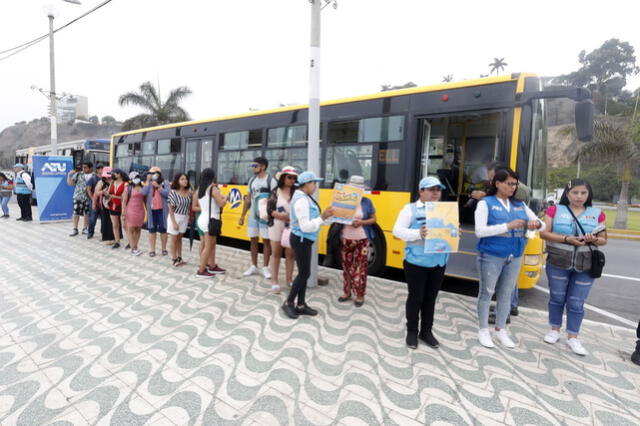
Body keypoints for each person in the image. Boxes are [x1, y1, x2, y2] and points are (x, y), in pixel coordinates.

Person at [474, 167, 545, 349]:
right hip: (491, 255)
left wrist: (536, 223)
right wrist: (507, 226)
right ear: (497, 183)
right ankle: (483, 330)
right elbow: (479, 231)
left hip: (514, 256)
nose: (512, 187)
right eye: (509, 183)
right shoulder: (486, 203)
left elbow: (542, 225)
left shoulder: (520, 205)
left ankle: (500, 330)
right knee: (487, 292)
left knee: (506, 294)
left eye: (515, 184)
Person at [539, 178, 607, 356]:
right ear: (567, 194)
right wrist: (566, 239)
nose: (579, 196)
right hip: (558, 263)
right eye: (575, 192)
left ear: (588, 194)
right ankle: (554, 330)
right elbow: (544, 233)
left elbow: (604, 239)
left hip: (586, 265)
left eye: (583, 193)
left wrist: (594, 239)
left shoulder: (597, 213)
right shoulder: (555, 210)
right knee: (557, 298)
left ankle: (573, 337)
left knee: (577, 303)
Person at [392, 177, 451, 349]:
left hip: (439, 262)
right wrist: (419, 233)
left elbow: (448, 233)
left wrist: (455, 232)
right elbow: (397, 231)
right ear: (421, 191)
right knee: (416, 298)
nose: (435, 193)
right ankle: (411, 331)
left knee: (430, 299)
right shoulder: (410, 209)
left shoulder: (445, 211)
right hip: (416, 262)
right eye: (431, 189)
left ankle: (426, 331)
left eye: (438, 190)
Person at [281, 171, 334, 319]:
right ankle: (289, 302)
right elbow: (305, 226)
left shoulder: (305, 197)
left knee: (304, 273)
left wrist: (325, 217)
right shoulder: (301, 200)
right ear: (307, 184)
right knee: (304, 273)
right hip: (301, 240)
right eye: (314, 183)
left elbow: (314, 220)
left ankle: (301, 304)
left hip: (304, 240)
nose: (316, 186)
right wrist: (322, 217)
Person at [336, 175, 377, 307]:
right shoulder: (344, 200)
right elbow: (337, 219)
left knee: (361, 268)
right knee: (346, 267)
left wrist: (361, 222)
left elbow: (374, 219)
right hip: (346, 238)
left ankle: (360, 295)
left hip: (362, 239)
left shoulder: (367, 202)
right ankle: (346, 292)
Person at [239, 157, 277, 278]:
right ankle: (254, 266)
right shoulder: (251, 181)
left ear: (263, 167)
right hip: (252, 216)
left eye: (255, 165)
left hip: (265, 215)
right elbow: (248, 200)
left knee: (266, 241)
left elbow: (276, 198)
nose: (253, 167)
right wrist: (242, 216)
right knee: (253, 240)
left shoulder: (271, 180)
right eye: (252, 165)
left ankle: (265, 268)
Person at [266, 166, 298, 294]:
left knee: (291, 254)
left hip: (292, 226)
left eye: (294, 178)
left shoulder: (297, 192)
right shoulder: (275, 192)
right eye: (289, 177)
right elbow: (269, 209)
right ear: (283, 178)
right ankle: (274, 281)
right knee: (276, 253)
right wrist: (280, 216)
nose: (292, 180)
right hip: (277, 225)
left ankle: (289, 279)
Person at [194, 168, 227, 277]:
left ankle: (212, 266)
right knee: (208, 246)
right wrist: (227, 196)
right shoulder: (213, 189)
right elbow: (222, 204)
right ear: (213, 177)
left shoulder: (200, 189)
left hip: (204, 218)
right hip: (211, 219)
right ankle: (201, 270)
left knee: (211, 245)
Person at [142, 166, 170, 257]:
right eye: (150, 173)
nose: (152, 175)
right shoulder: (148, 183)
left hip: (162, 210)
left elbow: (168, 194)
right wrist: (147, 181)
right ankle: (152, 249)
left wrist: (159, 187)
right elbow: (143, 193)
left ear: (159, 174)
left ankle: (164, 249)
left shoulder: (165, 182)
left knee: (163, 230)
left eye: (153, 173)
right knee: (152, 230)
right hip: (152, 211)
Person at [168, 173, 192, 267]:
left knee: (179, 239)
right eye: (182, 179)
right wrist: (174, 222)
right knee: (173, 239)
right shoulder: (173, 192)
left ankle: (179, 257)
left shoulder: (189, 193)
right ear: (177, 181)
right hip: (175, 216)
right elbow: (170, 209)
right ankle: (174, 259)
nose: (185, 180)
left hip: (185, 217)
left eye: (186, 179)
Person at [122, 172, 146, 255]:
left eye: (138, 177)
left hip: (140, 211)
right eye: (135, 177)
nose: (137, 179)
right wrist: (123, 213)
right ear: (131, 179)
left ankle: (135, 247)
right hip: (130, 211)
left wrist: (148, 212)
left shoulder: (143, 188)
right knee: (131, 229)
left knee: (138, 229)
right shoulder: (128, 188)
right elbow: (124, 201)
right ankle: (133, 249)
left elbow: (145, 201)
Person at [67, 162, 93, 236]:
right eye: (83, 167)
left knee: (87, 213)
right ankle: (75, 229)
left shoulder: (93, 175)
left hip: (88, 197)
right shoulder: (78, 174)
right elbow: (70, 184)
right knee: (76, 213)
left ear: (90, 168)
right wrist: (69, 175)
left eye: (85, 167)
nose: (83, 169)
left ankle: (85, 229)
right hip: (78, 196)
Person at [107, 169, 128, 249]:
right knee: (115, 225)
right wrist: (111, 183)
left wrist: (113, 196)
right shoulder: (113, 182)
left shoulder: (125, 184)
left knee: (124, 225)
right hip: (113, 206)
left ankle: (130, 241)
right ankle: (117, 241)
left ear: (119, 174)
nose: (112, 175)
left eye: (114, 174)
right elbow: (108, 193)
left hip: (122, 206)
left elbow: (124, 198)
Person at [94, 167, 116, 244]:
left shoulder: (114, 181)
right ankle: (106, 238)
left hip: (114, 203)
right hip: (105, 203)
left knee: (114, 221)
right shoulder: (101, 182)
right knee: (106, 220)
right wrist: (103, 192)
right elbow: (96, 193)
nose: (108, 178)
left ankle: (114, 238)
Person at [86, 164, 103, 239]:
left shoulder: (105, 179)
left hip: (102, 202)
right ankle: (90, 233)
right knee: (93, 218)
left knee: (103, 219)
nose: (102, 170)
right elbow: (88, 189)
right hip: (94, 201)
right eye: (101, 169)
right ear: (98, 170)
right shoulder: (93, 179)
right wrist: (93, 199)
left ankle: (103, 233)